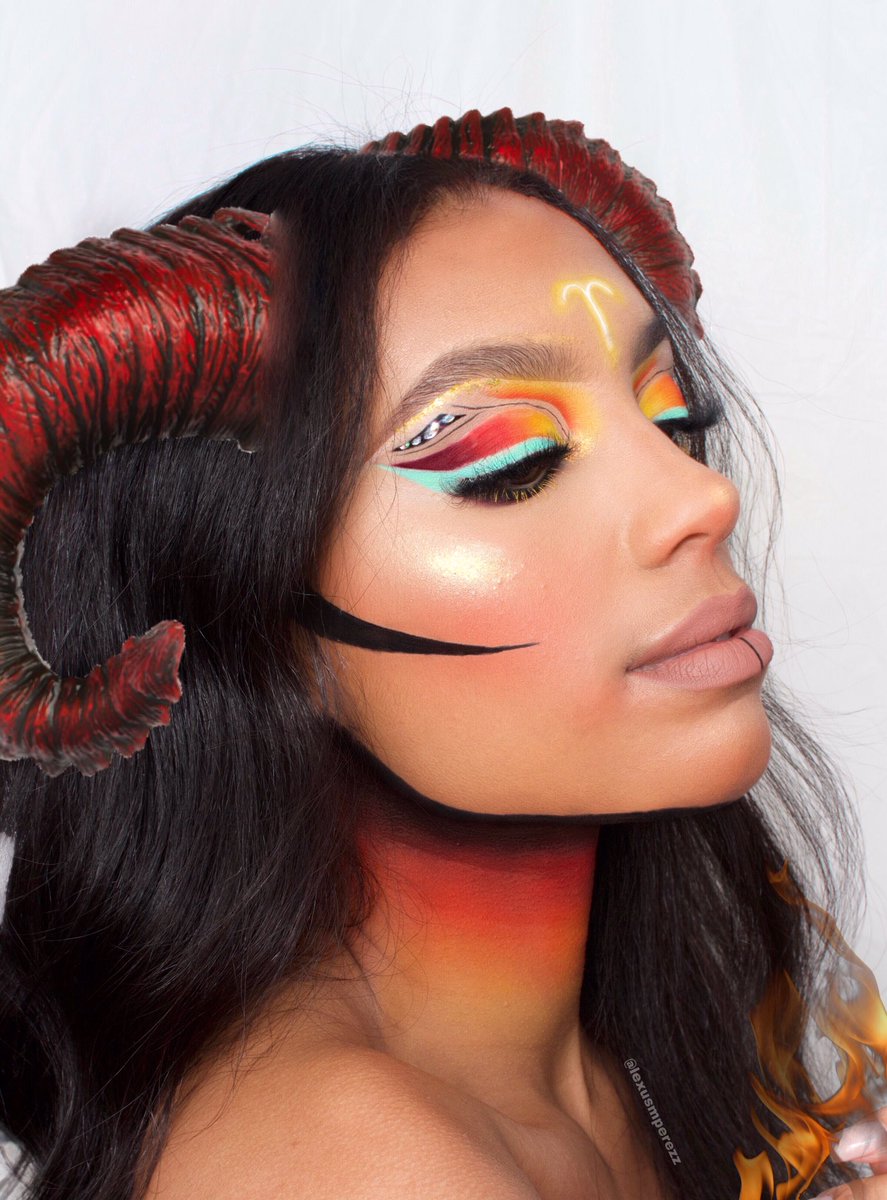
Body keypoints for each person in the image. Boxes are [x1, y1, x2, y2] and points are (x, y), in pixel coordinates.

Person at [0, 108, 879, 1200]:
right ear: (257, 625)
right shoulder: (365, 1169)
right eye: (510, 459)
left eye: (668, 416)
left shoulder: (643, 1046)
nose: (700, 496)